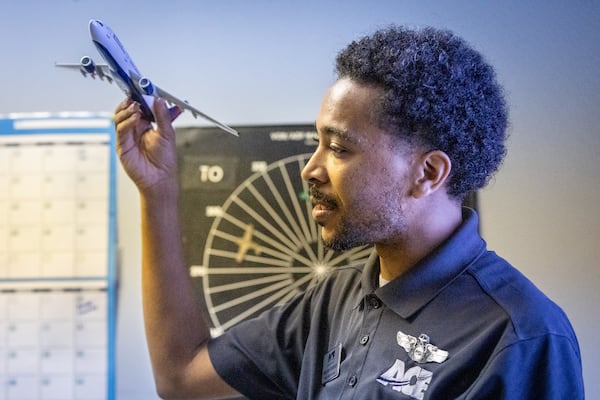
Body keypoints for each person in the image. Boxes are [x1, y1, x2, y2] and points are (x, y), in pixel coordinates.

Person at [114, 26, 584, 400]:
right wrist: (157, 193)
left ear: (428, 173)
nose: (311, 169)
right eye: (318, 142)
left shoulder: (520, 337)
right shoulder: (335, 299)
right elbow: (180, 376)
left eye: (338, 147)